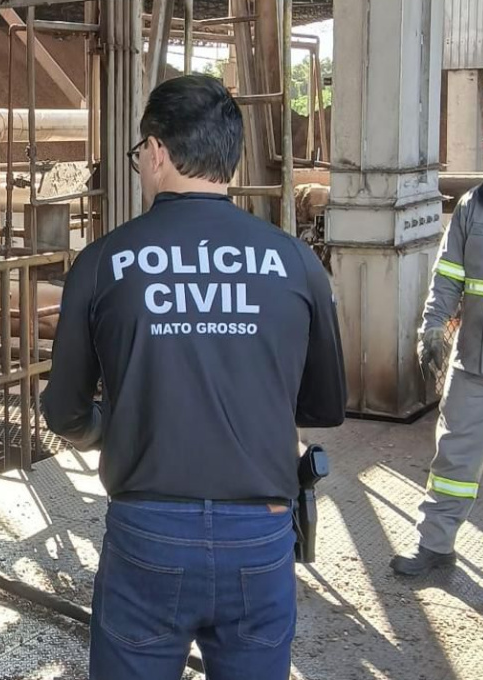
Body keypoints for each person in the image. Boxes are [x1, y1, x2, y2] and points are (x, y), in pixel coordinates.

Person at [41, 75, 347, 680]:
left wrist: (117, 422)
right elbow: (325, 405)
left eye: (137, 156)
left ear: (155, 151)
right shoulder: (294, 261)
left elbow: (64, 415)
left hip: (147, 534)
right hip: (259, 534)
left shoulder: (104, 262)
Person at [392, 92, 483, 590]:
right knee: (453, 461)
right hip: (474, 364)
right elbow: (447, 278)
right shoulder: (473, 206)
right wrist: (432, 330)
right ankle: (435, 547)